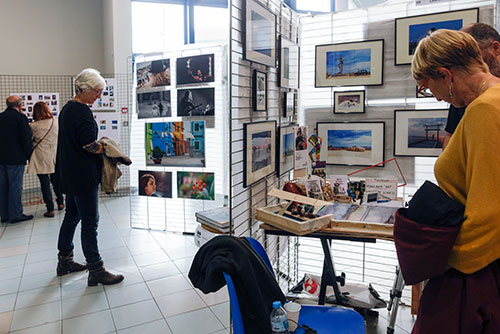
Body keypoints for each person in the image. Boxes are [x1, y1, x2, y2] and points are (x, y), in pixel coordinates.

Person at [412, 29, 500, 333]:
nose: (435, 96)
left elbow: (489, 214)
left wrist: (438, 259)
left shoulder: (485, 110)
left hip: (474, 272)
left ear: (445, 74)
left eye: (427, 86)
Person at [56, 68, 124, 285]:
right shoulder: (82, 112)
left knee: (71, 217)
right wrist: (105, 148)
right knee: (90, 222)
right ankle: (96, 269)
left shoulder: (67, 109)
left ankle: (64, 260)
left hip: (69, 174)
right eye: (97, 91)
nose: (99, 96)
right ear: (84, 89)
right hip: (84, 176)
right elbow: (88, 145)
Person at [443, 23, 500, 149]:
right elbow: (451, 137)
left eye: (471, 56)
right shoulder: (464, 91)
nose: (465, 64)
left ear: (496, 48)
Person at [0, 96, 34, 224]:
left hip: (1, 158)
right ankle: (16, 214)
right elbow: (25, 139)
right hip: (16, 158)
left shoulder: (0, 117)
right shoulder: (20, 118)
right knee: (15, 187)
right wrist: (29, 155)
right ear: (19, 105)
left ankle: (4, 215)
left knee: (3, 187)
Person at [27, 102, 64, 218]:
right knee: (56, 180)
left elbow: (29, 141)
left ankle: (50, 209)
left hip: (40, 156)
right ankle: (61, 202)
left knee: (45, 184)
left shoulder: (33, 126)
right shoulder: (56, 122)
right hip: (55, 155)